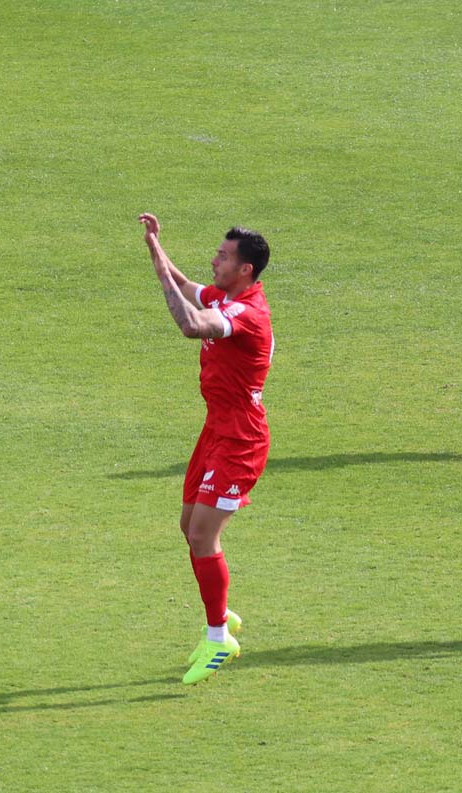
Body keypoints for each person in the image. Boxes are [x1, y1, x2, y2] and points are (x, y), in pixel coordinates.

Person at [139, 213, 275, 683]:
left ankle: (219, 637)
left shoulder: (248, 315)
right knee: (188, 527)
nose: (214, 261)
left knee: (202, 535)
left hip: (240, 438)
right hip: (216, 429)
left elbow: (192, 325)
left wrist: (161, 279)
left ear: (246, 271)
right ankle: (222, 614)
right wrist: (157, 248)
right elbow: (190, 286)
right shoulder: (229, 295)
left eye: (223, 256)